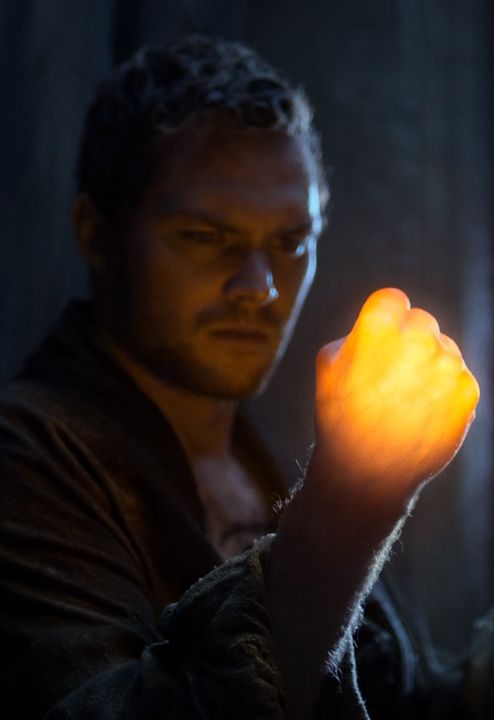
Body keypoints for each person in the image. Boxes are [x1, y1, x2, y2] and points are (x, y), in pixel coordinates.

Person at [0, 35, 479, 719]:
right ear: (97, 234)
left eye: (290, 243)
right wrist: (345, 506)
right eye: (204, 236)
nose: (259, 286)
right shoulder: (28, 458)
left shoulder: (283, 452)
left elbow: (398, 692)